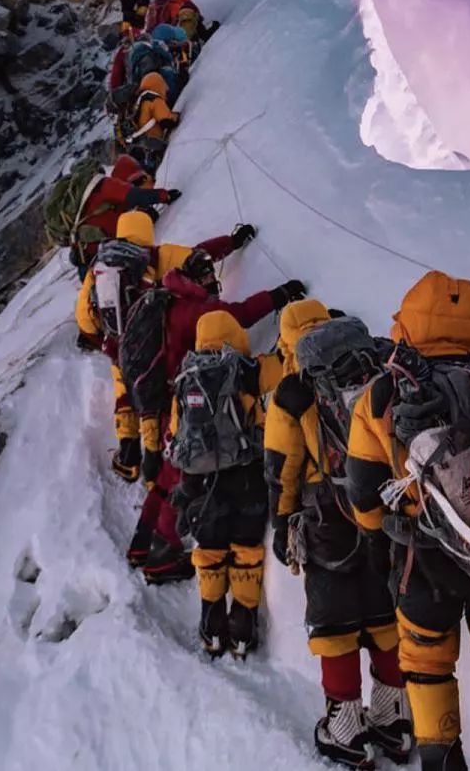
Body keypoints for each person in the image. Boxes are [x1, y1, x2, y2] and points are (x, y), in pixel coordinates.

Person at [346, 271, 470, 771]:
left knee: (427, 664)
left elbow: (364, 491)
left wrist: (375, 545)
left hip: (421, 561)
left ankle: (441, 755)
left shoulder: (383, 393)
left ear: (408, 322)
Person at [265, 304, 412, 767]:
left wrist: (282, 519)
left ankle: (345, 727)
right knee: (384, 612)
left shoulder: (293, 390)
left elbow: (281, 468)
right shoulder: (369, 360)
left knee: (335, 624)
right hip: (379, 505)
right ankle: (393, 718)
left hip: (325, 518)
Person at [125, 234, 301, 584]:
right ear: (197, 280)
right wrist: (280, 296)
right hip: (187, 403)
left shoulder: (168, 292)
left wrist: (232, 243)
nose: (214, 285)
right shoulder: (198, 310)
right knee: (178, 476)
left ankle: (142, 544)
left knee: (166, 476)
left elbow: (205, 252)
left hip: (166, 397)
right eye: (209, 280)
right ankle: (162, 554)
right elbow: (239, 316)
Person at [74, 211, 241, 489]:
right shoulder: (152, 256)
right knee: (150, 394)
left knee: (123, 389)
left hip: (114, 338)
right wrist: (232, 242)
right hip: (145, 339)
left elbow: (83, 314)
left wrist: (101, 338)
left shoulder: (100, 266)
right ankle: (155, 464)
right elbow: (197, 255)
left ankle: (128, 453)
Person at [169, 310, 285, 659]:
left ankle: (211, 624)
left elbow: (178, 434)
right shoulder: (246, 370)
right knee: (246, 549)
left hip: (203, 483)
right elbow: (286, 363)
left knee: (210, 551)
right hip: (247, 475)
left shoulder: (186, 379)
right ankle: (243, 627)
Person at [63, 154, 181, 279]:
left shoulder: (77, 204)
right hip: (110, 256)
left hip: (85, 260)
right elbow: (136, 196)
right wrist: (165, 196)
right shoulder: (104, 186)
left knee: (98, 296)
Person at [121, 71, 178, 177]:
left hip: (141, 143)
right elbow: (168, 122)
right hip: (155, 141)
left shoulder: (137, 102)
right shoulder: (153, 98)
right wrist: (176, 116)